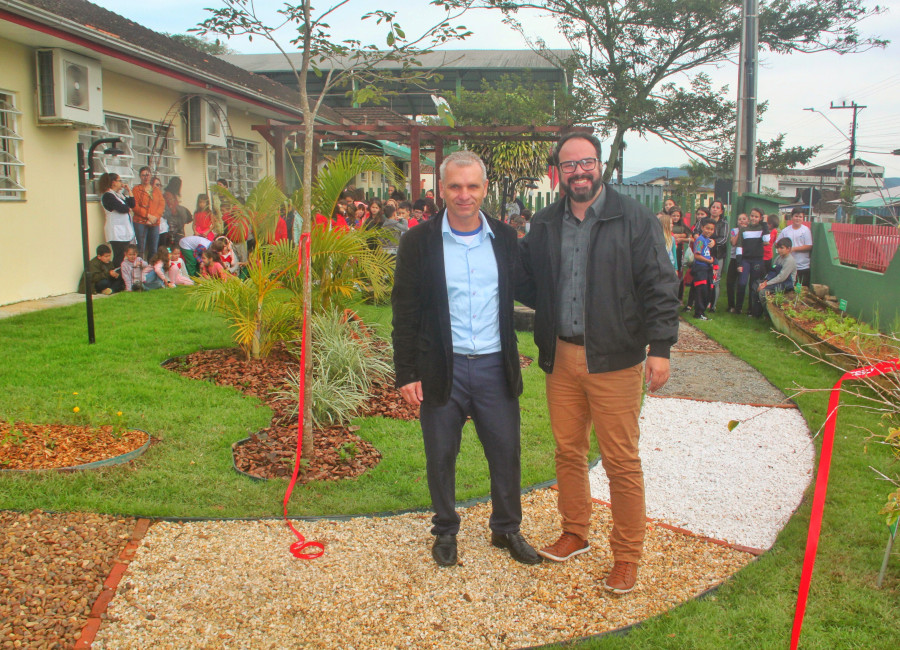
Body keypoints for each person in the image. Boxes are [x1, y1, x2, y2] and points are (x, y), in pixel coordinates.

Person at [516, 132, 678, 594]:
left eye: (586, 162)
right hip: (562, 355)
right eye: (569, 166)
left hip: (615, 358)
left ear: (599, 165)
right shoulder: (546, 222)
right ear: (559, 172)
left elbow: (660, 285)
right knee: (568, 451)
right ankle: (575, 531)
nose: (579, 172)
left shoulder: (634, 218)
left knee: (620, 460)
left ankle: (626, 555)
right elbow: (530, 279)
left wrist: (660, 348)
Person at [391, 150, 541, 568]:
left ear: (485, 189)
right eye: (455, 186)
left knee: (506, 450)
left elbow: (534, 288)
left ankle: (506, 529)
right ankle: (445, 530)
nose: (463, 195)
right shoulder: (418, 242)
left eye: (472, 186)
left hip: (495, 365)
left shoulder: (506, 239)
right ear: (441, 189)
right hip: (442, 366)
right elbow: (404, 312)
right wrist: (406, 373)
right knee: (440, 454)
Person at [735, 208, 771, 318]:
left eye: (756, 216)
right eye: (752, 216)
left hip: (757, 260)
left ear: (760, 218)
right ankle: (738, 307)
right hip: (745, 260)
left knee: (753, 285)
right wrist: (739, 263)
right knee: (742, 283)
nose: (753, 218)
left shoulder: (762, 228)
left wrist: (765, 223)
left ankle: (751, 309)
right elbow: (739, 246)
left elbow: (766, 240)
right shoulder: (744, 229)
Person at [98, 172, 135, 268]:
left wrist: (129, 191)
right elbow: (122, 208)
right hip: (116, 231)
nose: (121, 183)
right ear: (113, 182)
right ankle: (116, 278)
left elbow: (132, 204)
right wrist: (127, 208)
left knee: (124, 256)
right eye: (119, 181)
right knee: (119, 256)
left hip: (124, 230)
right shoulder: (107, 196)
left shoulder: (119, 195)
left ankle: (123, 278)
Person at [132, 167, 164, 260]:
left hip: (154, 222)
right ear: (140, 177)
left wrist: (155, 217)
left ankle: (151, 269)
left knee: (153, 248)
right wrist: (147, 215)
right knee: (141, 248)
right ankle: (140, 269)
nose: (146, 177)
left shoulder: (156, 190)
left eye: (148, 174)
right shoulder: (136, 189)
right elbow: (135, 206)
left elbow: (161, 204)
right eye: (143, 175)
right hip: (140, 222)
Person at [691, 220, 717, 320]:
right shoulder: (700, 240)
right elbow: (697, 255)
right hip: (700, 268)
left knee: (707, 290)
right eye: (707, 228)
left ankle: (702, 312)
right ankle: (698, 313)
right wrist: (708, 261)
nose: (709, 231)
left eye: (711, 229)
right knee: (701, 291)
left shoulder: (708, 240)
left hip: (707, 268)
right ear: (702, 228)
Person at [781, 208, 813, 287]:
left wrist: (794, 249)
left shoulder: (806, 230)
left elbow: (809, 246)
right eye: (796, 216)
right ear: (792, 217)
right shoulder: (785, 231)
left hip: (802, 266)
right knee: (788, 291)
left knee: (801, 291)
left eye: (800, 217)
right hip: (787, 265)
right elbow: (778, 244)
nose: (798, 218)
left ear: (803, 218)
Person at [726, 213, 749, 313]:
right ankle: (731, 305)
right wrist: (740, 231)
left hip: (744, 259)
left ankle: (739, 307)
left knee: (741, 283)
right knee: (730, 282)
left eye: (744, 219)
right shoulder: (734, 231)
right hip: (734, 258)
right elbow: (733, 242)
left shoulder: (750, 231)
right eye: (740, 219)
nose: (742, 221)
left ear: (747, 220)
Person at [162, 178, 191, 246]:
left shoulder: (173, 195)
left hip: (177, 221)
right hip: (171, 221)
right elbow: (171, 208)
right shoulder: (168, 195)